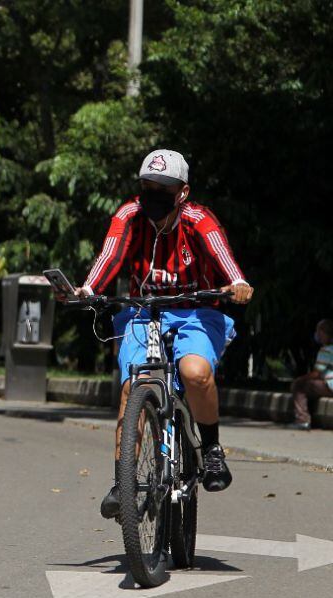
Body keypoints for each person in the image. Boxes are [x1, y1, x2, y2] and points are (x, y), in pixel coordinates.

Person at [74, 149, 253, 519]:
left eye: (163, 187)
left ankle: (213, 450)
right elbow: (110, 255)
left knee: (194, 374)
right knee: (132, 386)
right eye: (147, 185)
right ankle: (123, 482)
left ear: (182, 192)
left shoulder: (198, 219)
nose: (153, 193)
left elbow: (224, 258)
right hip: (143, 312)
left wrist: (237, 282)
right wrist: (89, 290)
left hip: (198, 312)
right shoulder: (129, 215)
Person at [288, 319, 333, 430]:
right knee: (311, 387)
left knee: (299, 386)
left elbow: (317, 373)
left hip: (330, 385)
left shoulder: (326, 350)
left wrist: (300, 379)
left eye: (318, 331)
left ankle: (302, 420)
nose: (317, 334)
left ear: (323, 333)